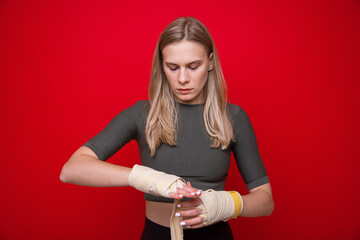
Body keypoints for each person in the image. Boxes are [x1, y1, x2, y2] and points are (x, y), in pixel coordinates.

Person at [60, 16, 274, 240]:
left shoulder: (234, 118)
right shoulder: (143, 114)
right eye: (173, 67)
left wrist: (227, 203)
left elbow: (265, 201)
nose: (183, 78)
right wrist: (147, 179)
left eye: (193, 66)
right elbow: (71, 169)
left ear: (210, 62)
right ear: (161, 66)